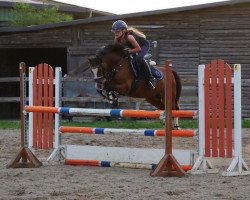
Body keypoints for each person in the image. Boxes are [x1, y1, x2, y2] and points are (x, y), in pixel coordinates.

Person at [111, 20, 157, 89]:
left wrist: (129, 51)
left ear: (123, 31)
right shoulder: (116, 39)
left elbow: (138, 49)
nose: (116, 33)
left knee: (139, 58)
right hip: (134, 47)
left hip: (142, 46)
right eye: (114, 31)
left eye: (117, 31)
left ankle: (151, 78)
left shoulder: (129, 37)